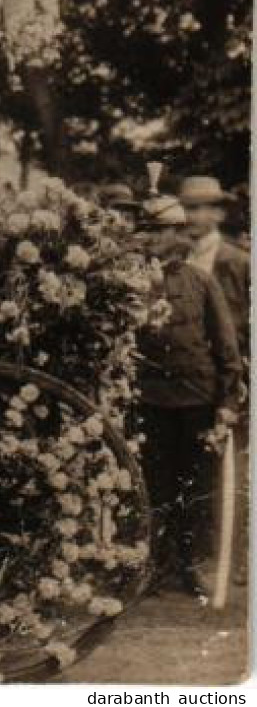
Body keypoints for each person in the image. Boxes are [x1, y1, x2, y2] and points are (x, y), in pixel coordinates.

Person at [134, 195, 243, 598]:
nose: (152, 240)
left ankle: (188, 566)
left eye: (160, 232)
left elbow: (226, 347)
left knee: (194, 488)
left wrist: (228, 403)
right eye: (147, 231)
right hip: (151, 399)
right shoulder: (132, 283)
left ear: (177, 234)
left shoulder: (200, 280)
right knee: (155, 486)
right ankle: (156, 567)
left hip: (197, 398)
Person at [178, 176, 249, 356]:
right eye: (184, 209)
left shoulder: (240, 262)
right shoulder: (177, 257)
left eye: (194, 208)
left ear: (218, 213)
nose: (187, 217)